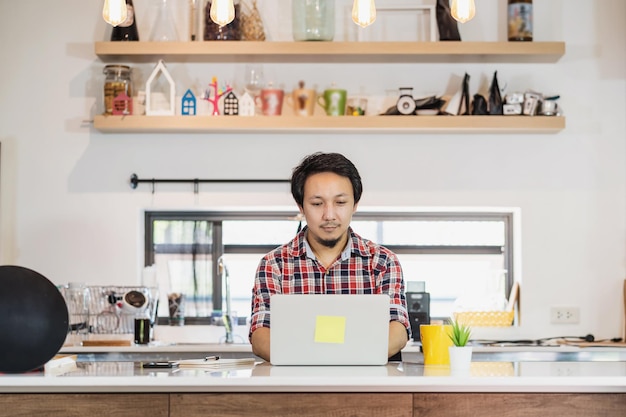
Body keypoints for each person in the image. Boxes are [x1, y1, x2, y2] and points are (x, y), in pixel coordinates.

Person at [249, 152, 411, 362]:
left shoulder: (382, 261)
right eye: (317, 204)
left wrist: (338, 359)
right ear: (301, 206)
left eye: (340, 202)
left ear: (355, 204)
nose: (329, 215)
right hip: (297, 386)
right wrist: (322, 360)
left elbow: (397, 330)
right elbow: (261, 335)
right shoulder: (274, 264)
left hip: (368, 387)